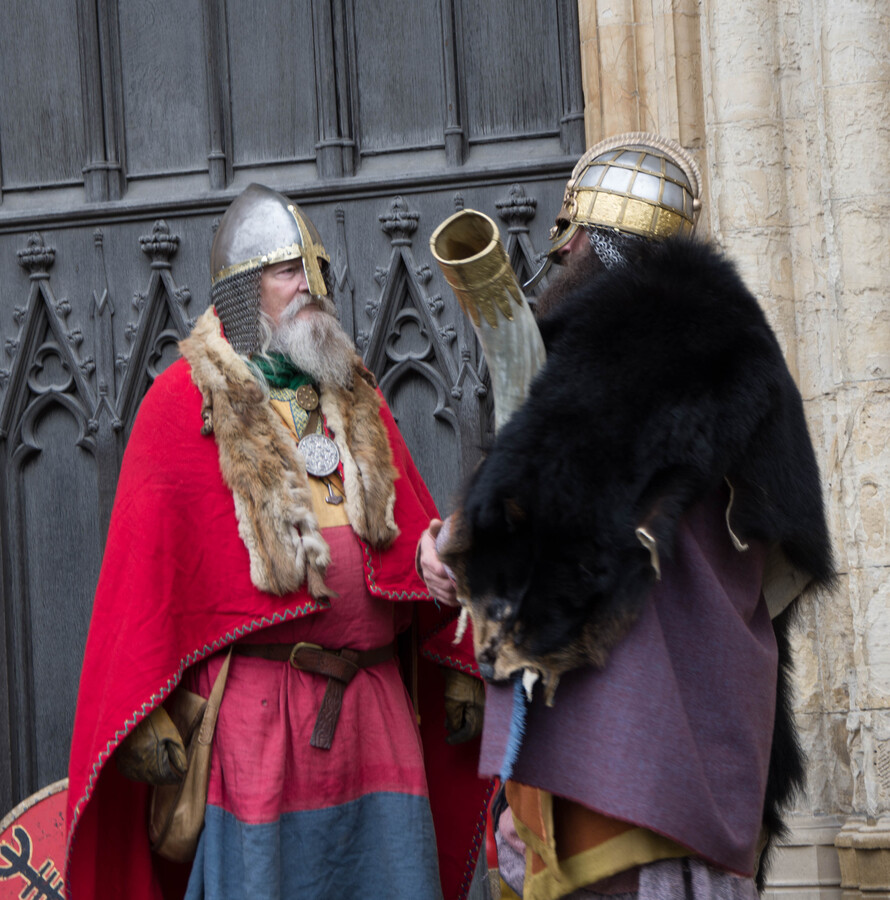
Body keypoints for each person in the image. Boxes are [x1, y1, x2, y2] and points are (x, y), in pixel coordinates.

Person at [419, 134, 835, 899]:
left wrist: (448, 544)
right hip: (711, 729)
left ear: (578, 240)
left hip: (623, 746)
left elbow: (547, 517)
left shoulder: (614, 344)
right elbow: (784, 566)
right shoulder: (745, 345)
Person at [65, 183, 490, 900]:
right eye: (287, 269)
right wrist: (147, 718)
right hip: (262, 723)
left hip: (376, 712)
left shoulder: (353, 390)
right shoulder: (179, 405)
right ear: (241, 288)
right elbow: (141, 587)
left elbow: (407, 537)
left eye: (314, 267)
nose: (310, 286)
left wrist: (435, 580)